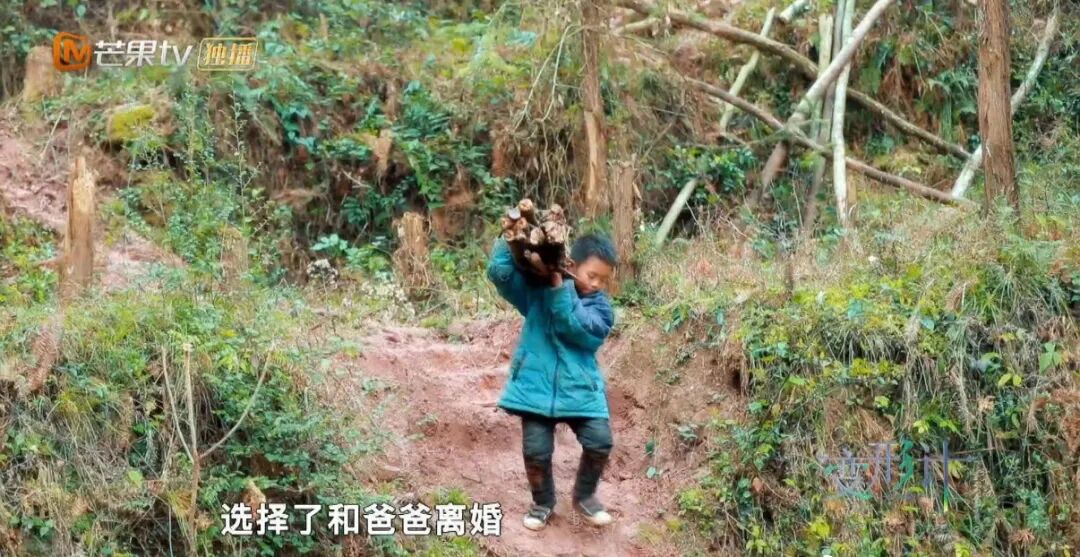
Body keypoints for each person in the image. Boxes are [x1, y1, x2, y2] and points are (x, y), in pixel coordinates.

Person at [486, 231, 618, 531]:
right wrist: (510, 240)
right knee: (536, 451)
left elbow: (578, 329)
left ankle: (584, 496)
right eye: (592, 275)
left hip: (580, 389)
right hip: (535, 386)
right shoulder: (536, 291)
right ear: (571, 264)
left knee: (600, 441)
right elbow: (500, 274)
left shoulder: (600, 308)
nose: (597, 284)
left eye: (603, 279)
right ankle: (542, 502)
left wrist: (560, 287)